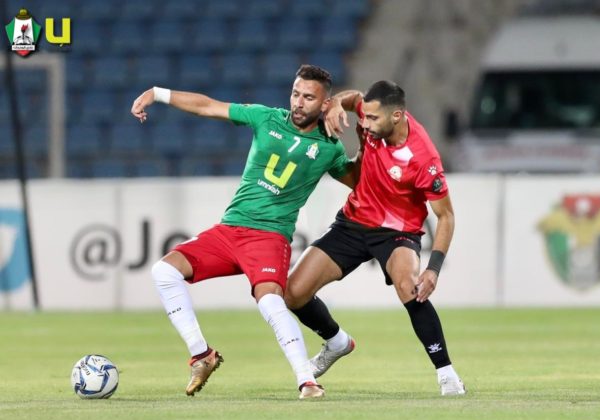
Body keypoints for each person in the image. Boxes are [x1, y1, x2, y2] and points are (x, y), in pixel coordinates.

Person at [130, 65, 358, 399]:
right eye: (295, 93)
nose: (298, 102)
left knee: (271, 302)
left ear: (325, 104)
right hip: (229, 229)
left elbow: (359, 182)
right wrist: (157, 93)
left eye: (308, 97)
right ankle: (202, 354)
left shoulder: (330, 148)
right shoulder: (266, 118)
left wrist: (367, 136)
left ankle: (307, 380)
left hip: (270, 237)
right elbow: (208, 106)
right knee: (163, 271)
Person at [285, 80, 466, 396]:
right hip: (353, 222)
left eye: (372, 119)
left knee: (409, 287)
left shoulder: (423, 158)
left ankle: (447, 374)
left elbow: (446, 216)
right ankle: (336, 342)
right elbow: (355, 98)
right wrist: (337, 103)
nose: (365, 124)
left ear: (397, 116)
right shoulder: (371, 113)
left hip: (397, 232)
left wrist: (434, 269)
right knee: (293, 293)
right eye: (364, 116)